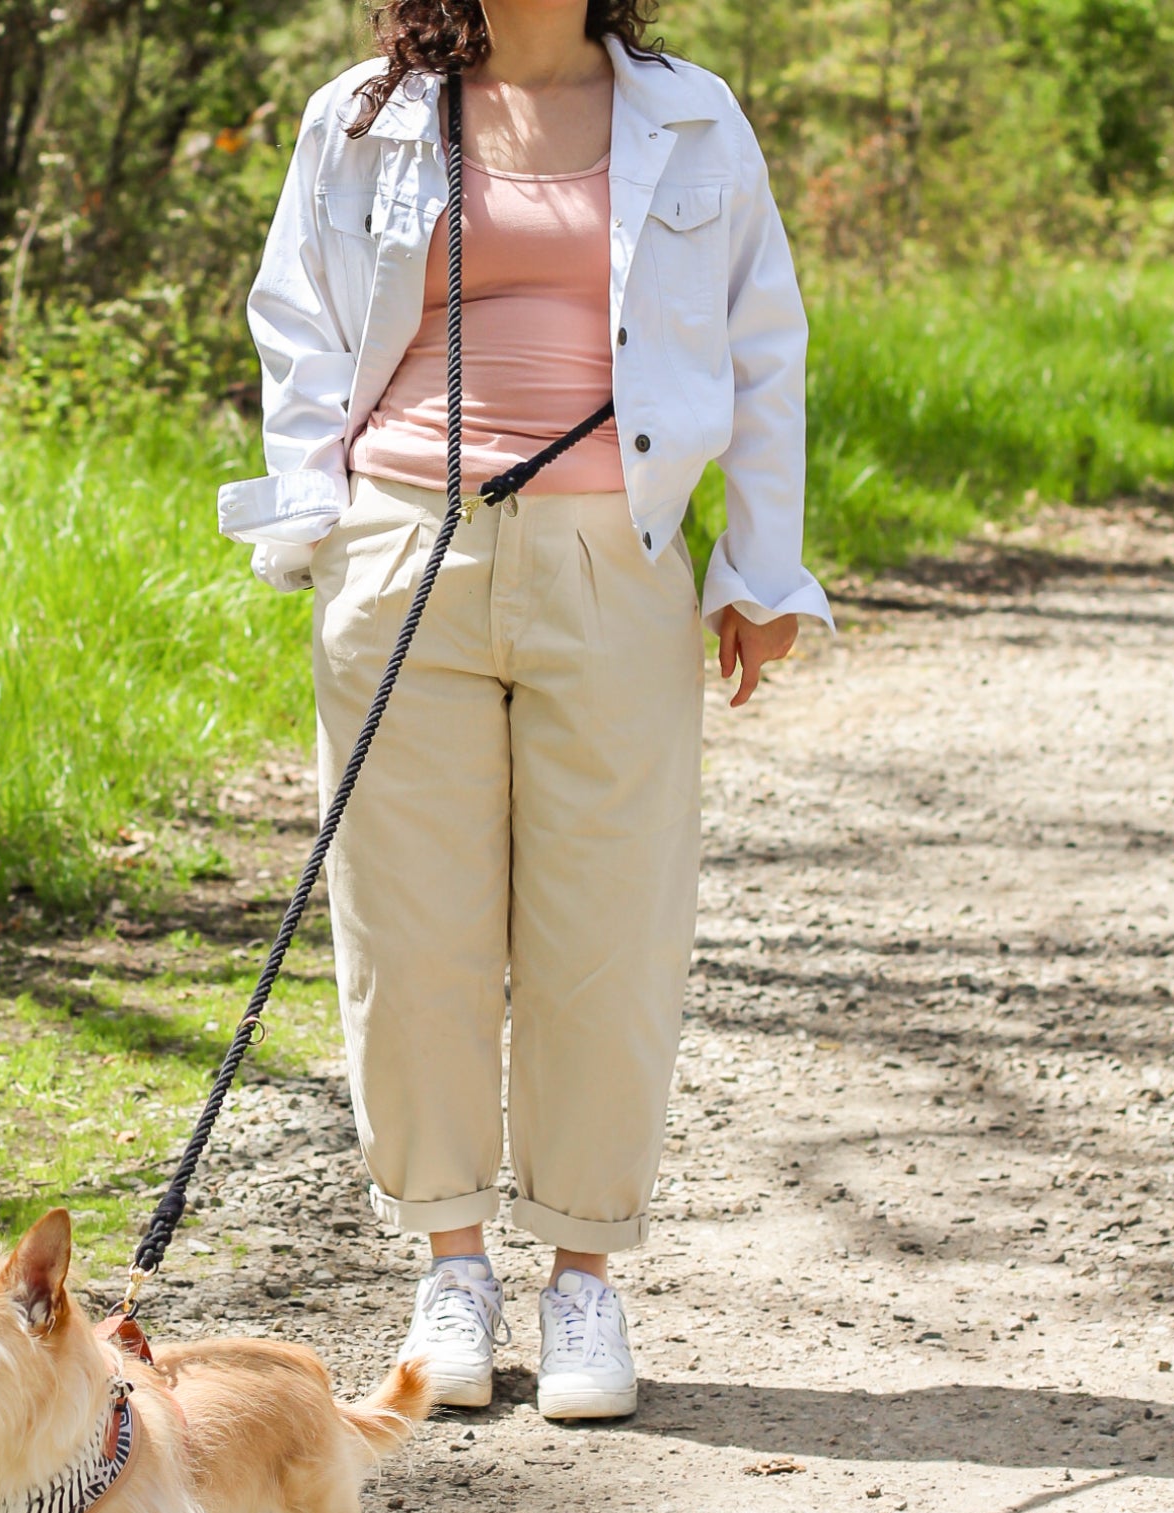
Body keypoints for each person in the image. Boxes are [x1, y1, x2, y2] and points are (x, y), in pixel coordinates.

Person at [217, 0, 832, 1420]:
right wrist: (323, 524)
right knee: (407, 923)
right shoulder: (361, 114)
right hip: (400, 550)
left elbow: (762, 348)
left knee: (606, 927)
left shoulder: (691, 117)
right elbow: (295, 321)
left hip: (609, 556)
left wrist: (759, 569)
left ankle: (582, 1278)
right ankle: (449, 1267)